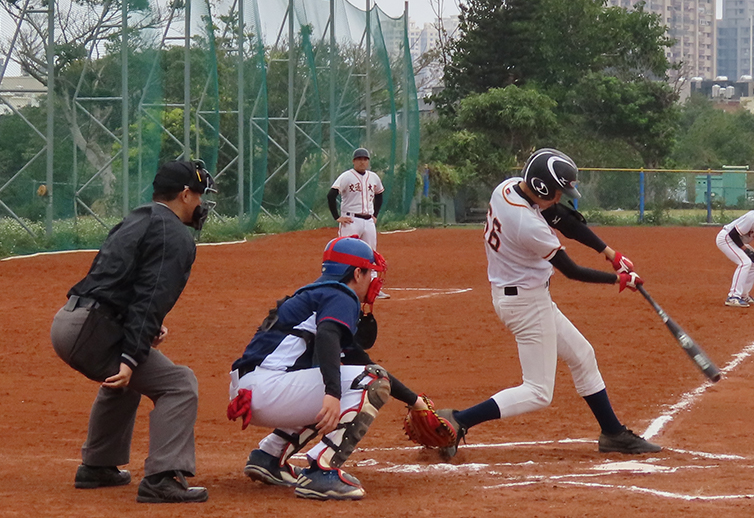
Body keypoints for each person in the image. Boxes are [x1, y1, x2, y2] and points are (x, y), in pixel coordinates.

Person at [437, 148, 657, 459]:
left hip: (523, 296)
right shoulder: (528, 224)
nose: (560, 198)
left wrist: (609, 252)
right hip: (526, 304)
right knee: (538, 392)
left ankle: (613, 433)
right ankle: (458, 420)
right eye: (558, 191)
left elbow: (562, 218)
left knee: (583, 355)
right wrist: (620, 280)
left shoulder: (509, 188)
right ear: (541, 187)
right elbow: (572, 270)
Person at [49, 160, 215, 503]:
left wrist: (135, 342)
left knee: (129, 377)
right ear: (185, 195)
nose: (201, 203)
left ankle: (98, 466)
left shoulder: (139, 217)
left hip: (72, 319)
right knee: (179, 384)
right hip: (93, 330)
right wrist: (129, 354)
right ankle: (163, 478)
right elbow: (150, 297)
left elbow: (116, 280)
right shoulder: (175, 235)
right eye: (199, 195)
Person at [226, 236, 432, 501]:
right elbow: (327, 338)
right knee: (370, 381)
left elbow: (359, 359)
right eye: (369, 272)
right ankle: (322, 470)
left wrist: (415, 402)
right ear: (357, 273)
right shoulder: (341, 294)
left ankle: (269, 456)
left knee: (356, 375)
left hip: (255, 389)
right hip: (268, 389)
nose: (373, 280)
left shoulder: (319, 294)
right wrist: (332, 394)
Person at [327, 148, 388, 298]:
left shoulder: (373, 177)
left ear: (368, 161)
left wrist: (375, 215)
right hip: (350, 220)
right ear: (354, 161)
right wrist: (337, 217)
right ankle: (342, 286)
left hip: (368, 221)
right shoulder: (346, 176)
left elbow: (380, 195)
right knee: (346, 252)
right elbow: (331, 195)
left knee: (371, 254)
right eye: (359, 159)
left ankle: (373, 289)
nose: (362, 161)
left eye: (365, 159)